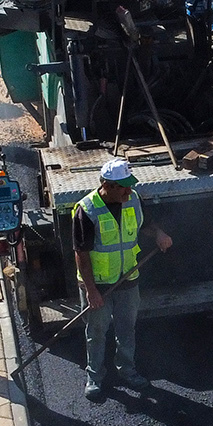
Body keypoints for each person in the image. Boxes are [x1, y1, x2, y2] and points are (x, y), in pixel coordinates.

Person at [74, 157, 173, 402]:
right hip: (99, 284)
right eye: (124, 188)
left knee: (126, 328)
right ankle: (94, 377)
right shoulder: (87, 210)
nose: (129, 192)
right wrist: (91, 290)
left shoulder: (133, 199)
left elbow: (145, 225)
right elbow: (81, 254)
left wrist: (159, 234)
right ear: (108, 186)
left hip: (128, 278)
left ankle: (127, 370)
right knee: (97, 331)